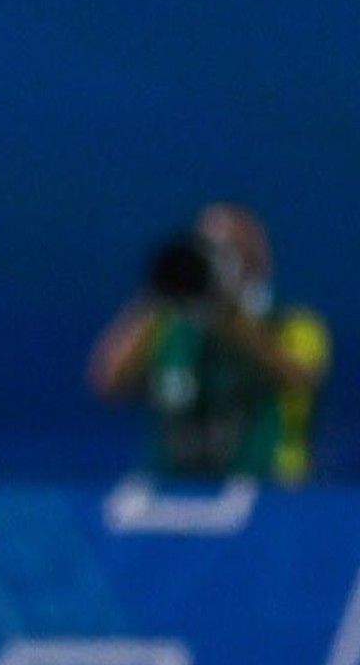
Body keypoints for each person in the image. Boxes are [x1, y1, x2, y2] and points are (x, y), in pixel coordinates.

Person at [88, 203, 330, 483]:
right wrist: (160, 294)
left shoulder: (292, 322)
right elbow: (108, 383)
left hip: (264, 491)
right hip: (172, 488)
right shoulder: (167, 327)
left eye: (225, 252)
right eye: (203, 250)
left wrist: (227, 315)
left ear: (257, 260)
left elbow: (301, 379)